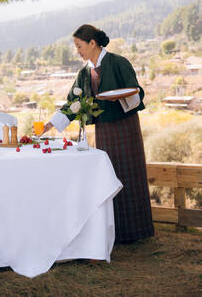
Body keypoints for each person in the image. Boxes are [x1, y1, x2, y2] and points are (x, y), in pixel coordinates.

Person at [43, 24, 154, 244]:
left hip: (125, 127)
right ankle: (114, 232)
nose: (77, 51)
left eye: (79, 46)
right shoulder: (84, 72)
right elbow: (74, 103)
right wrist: (51, 123)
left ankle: (137, 232)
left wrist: (119, 97)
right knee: (109, 175)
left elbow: (135, 92)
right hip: (103, 130)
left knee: (129, 174)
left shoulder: (119, 62)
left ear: (93, 43)